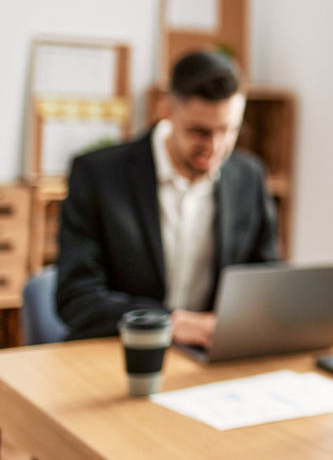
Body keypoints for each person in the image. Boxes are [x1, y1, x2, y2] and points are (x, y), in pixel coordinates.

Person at [56, 50, 278, 346]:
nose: (215, 147)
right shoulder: (98, 175)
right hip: (121, 351)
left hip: (210, 357)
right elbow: (77, 298)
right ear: (166, 109)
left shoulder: (248, 176)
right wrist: (169, 322)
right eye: (200, 131)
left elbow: (266, 279)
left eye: (228, 130)